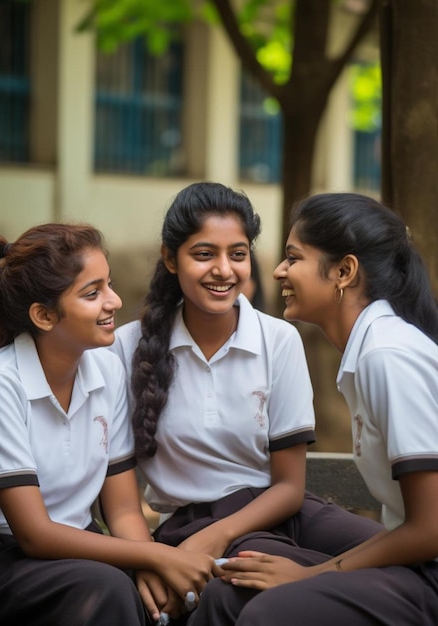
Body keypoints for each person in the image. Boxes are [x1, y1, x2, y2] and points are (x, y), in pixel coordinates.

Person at [110, 182, 383, 624]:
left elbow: (289, 487)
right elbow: (121, 502)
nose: (224, 270)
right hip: (191, 524)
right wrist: (150, 558)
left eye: (237, 254)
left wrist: (217, 538)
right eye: (204, 254)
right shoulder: (125, 349)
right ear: (169, 258)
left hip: (282, 511)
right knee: (279, 586)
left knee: (396, 559)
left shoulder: (278, 339)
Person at [0, 223, 218, 626]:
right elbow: (34, 534)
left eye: (110, 284)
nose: (114, 301)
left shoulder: (106, 368)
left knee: (165, 595)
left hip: (81, 550)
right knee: (106, 588)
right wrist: (158, 554)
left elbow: (121, 509)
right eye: (92, 293)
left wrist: (149, 567)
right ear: (44, 315)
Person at [215, 192, 438, 625]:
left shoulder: (386, 355)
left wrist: (311, 575)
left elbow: (430, 529)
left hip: (428, 574)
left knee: (271, 612)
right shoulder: (372, 349)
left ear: (344, 271)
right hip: (417, 564)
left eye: (293, 257)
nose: (279, 270)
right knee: (235, 589)